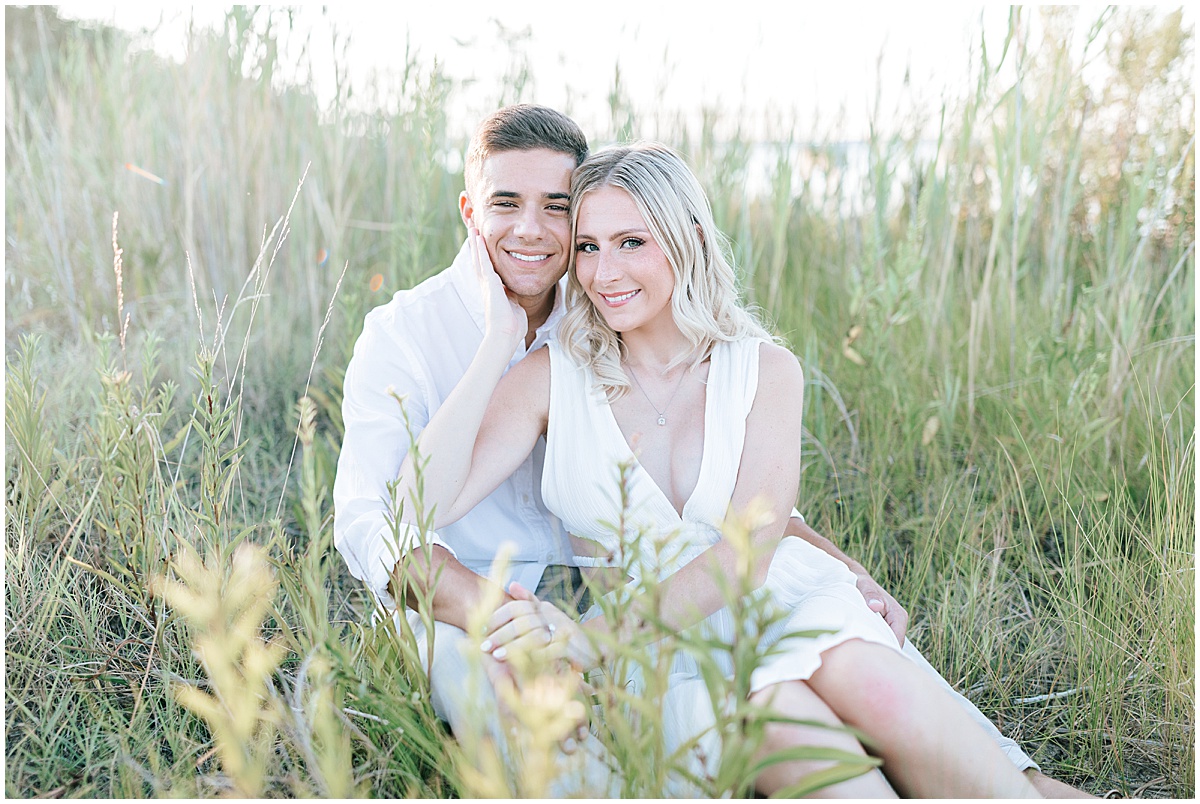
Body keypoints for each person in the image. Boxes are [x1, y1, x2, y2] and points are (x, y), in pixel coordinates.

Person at [334, 104, 1089, 797]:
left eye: (610, 235)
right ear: (471, 214)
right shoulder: (483, 352)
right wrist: (499, 341)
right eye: (590, 246)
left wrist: (841, 561)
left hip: (723, 597)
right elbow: (390, 519)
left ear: (683, 235)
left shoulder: (737, 357)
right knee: (813, 748)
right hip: (571, 612)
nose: (595, 265)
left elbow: (741, 523)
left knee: (894, 700)